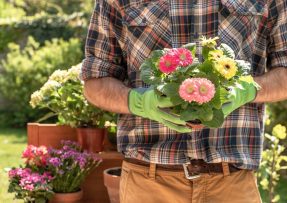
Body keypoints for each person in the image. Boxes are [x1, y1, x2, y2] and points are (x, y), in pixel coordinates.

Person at [80, 0, 287, 202]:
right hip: (148, 184)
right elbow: (95, 80)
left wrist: (248, 90)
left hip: (232, 184)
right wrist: (138, 101)